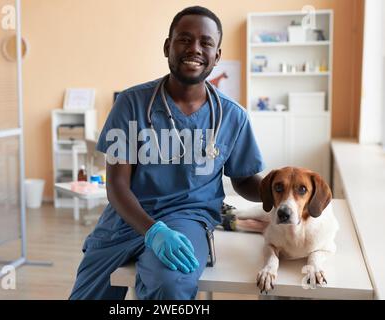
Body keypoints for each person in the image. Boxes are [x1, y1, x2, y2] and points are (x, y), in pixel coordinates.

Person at [69, 6, 265, 300]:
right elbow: (117, 186)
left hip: (186, 218)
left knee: (169, 286)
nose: (194, 49)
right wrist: (152, 231)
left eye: (205, 42)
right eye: (184, 39)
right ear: (167, 46)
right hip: (126, 219)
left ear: (217, 55)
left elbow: (244, 179)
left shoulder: (232, 117)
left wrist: (283, 191)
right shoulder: (131, 104)